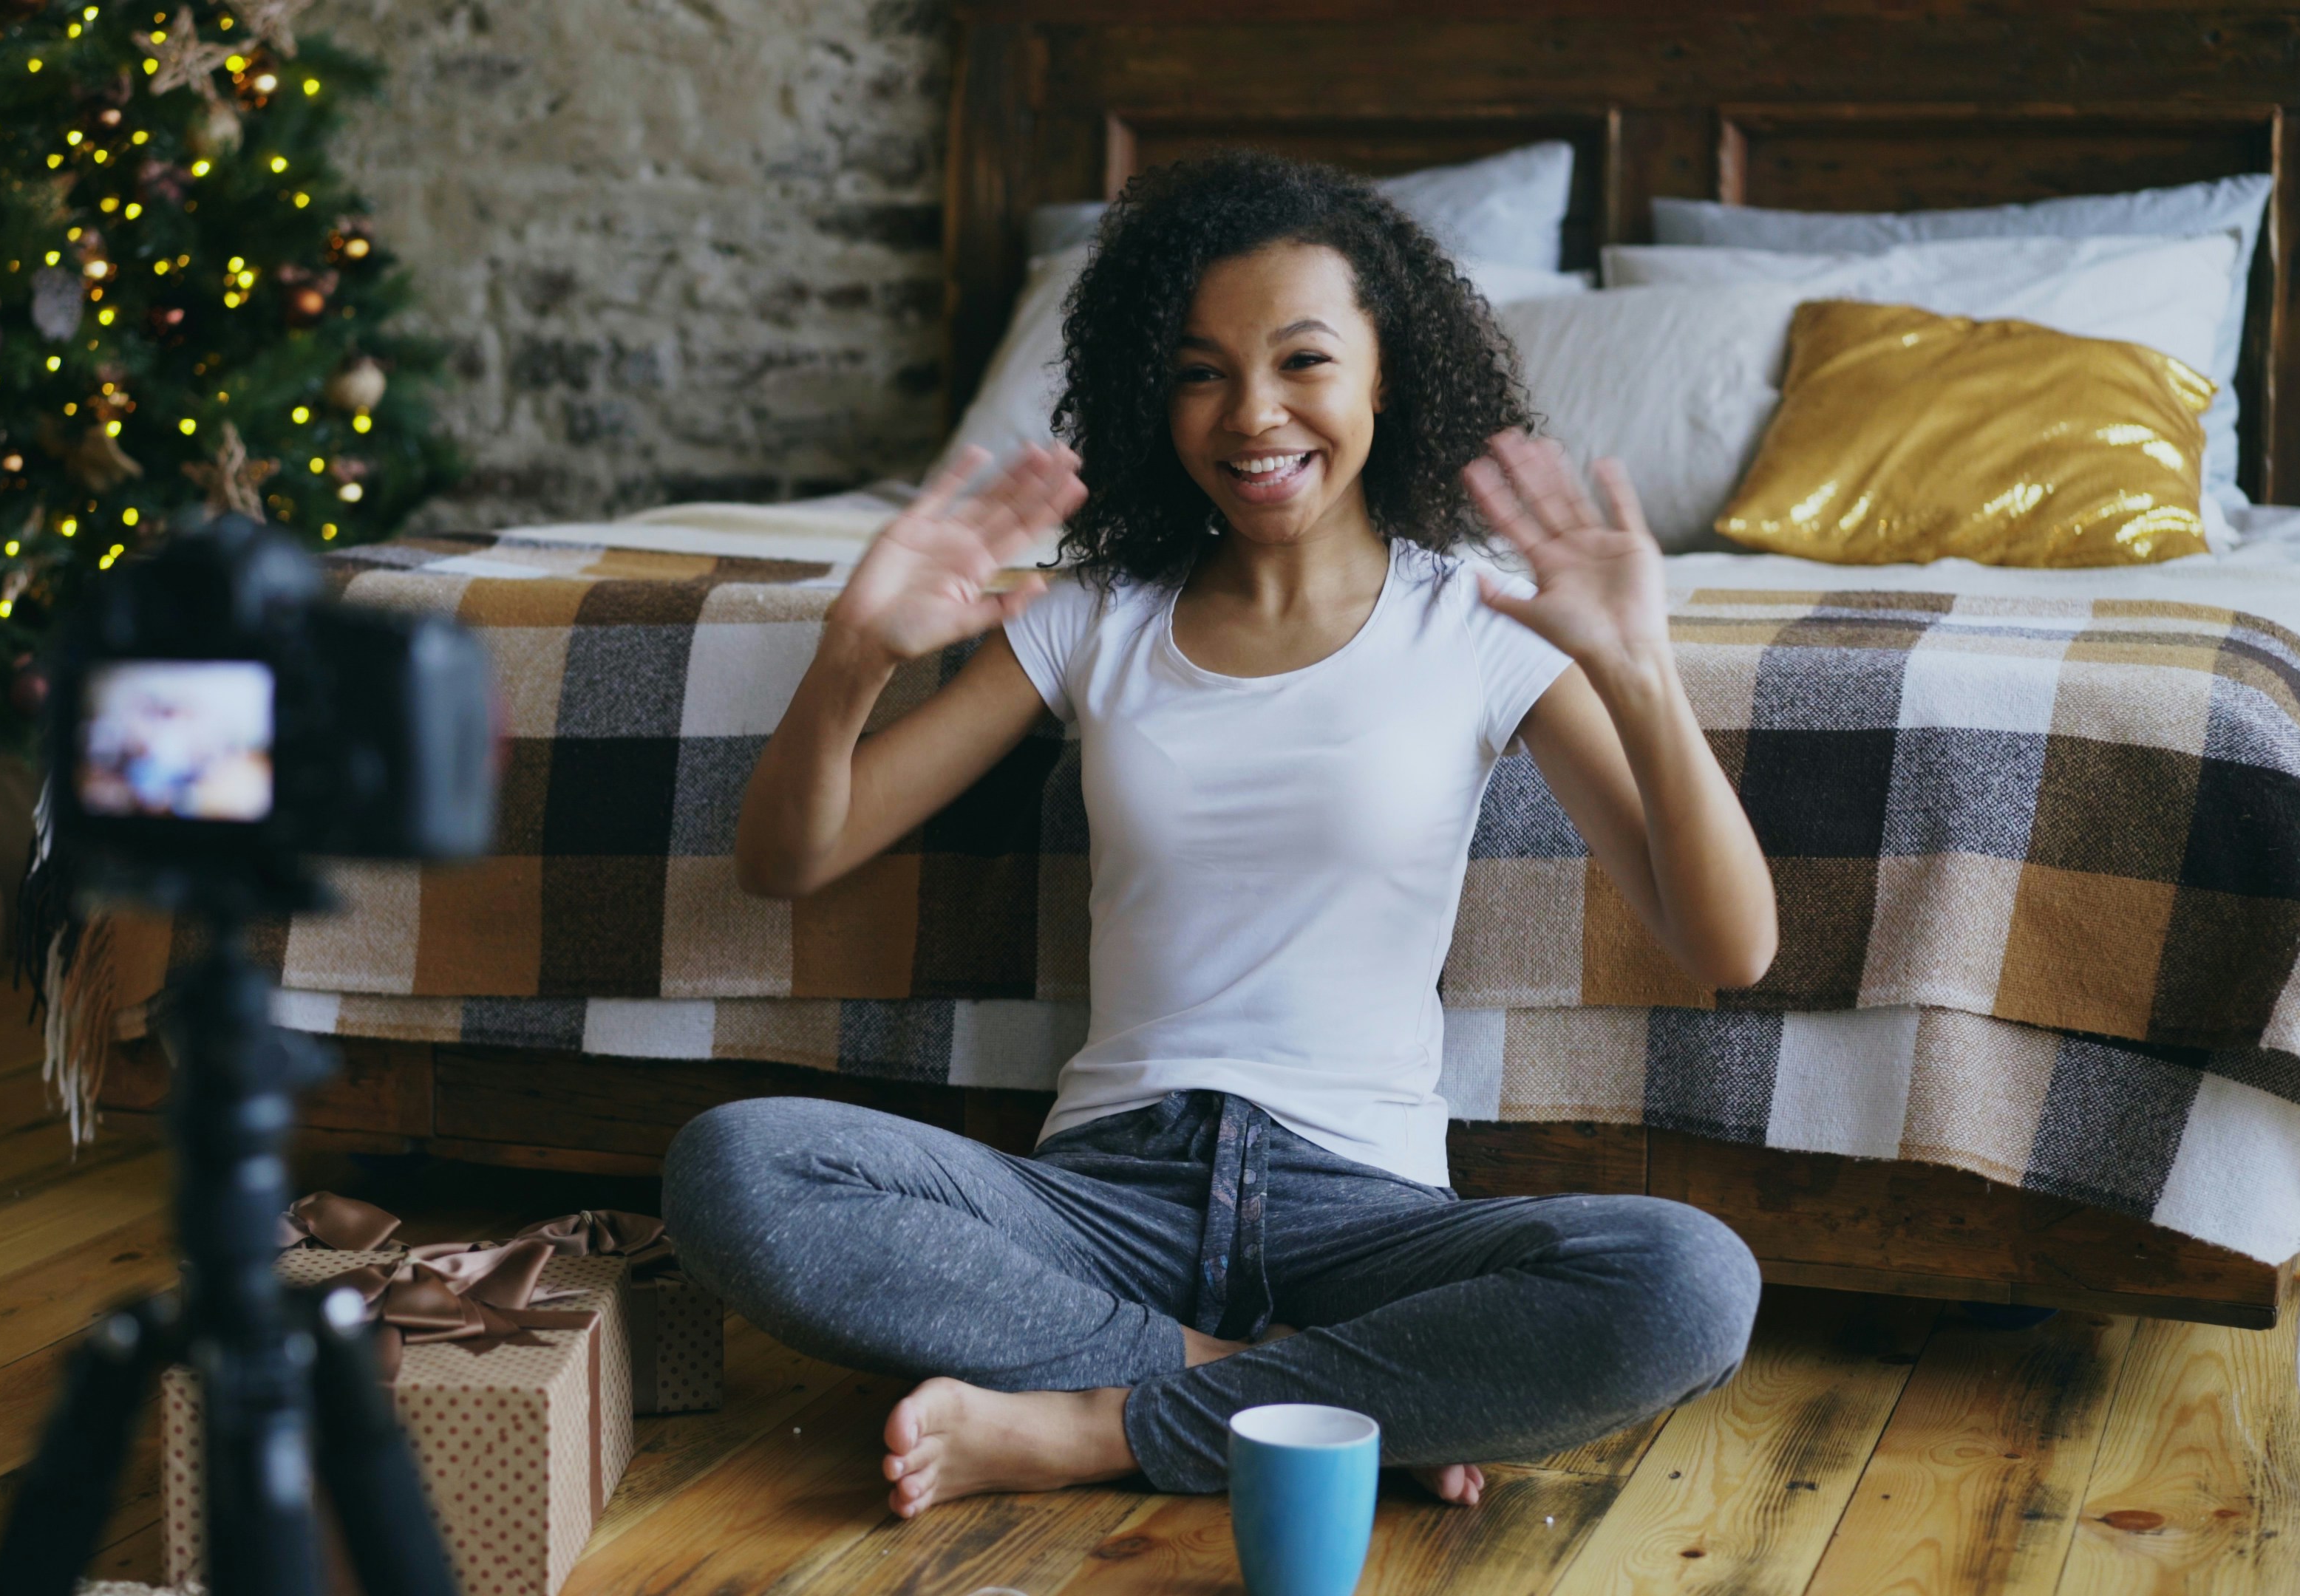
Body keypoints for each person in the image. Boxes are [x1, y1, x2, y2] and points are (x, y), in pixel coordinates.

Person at [661, 150, 1778, 1518]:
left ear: (1385, 374)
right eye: (1200, 372)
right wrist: (850, 651)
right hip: (1101, 1201)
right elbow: (790, 861)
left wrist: (1643, 672)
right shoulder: (1095, 612)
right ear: (1154, 391)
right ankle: (1293, 1395)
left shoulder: (1483, 623)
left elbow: (1729, 943)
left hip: (1364, 1208)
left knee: (1691, 1282)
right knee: (738, 1169)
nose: (1253, 416)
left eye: (1304, 361)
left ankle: (1092, 1429)